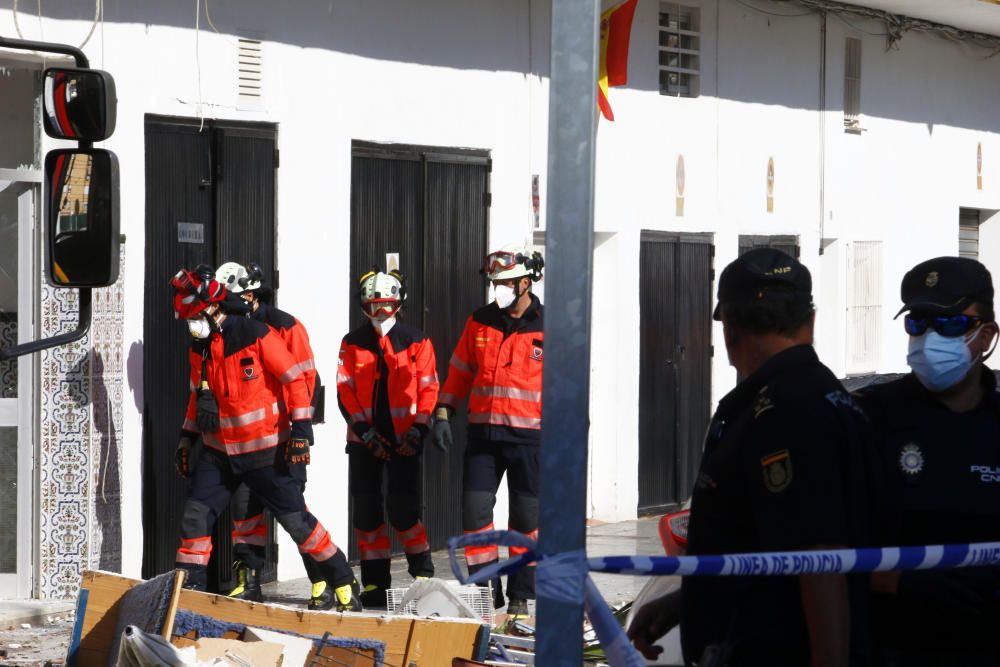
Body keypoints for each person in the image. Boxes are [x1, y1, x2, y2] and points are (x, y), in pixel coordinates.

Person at [628, 248, 878, 666]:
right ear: (810, 321)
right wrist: (684, 602)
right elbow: (755, 543)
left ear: (731, 329)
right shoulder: (819, 399)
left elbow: (819, 557)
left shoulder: (786, 411)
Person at [170, 265, 362, 612]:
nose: (191, 325)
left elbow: (295, 381)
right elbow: (195, 397)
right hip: (218, 454)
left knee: (295, 521)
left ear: (214, 307)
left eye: (194, 317)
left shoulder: (257, 334)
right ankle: (189, 597)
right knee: (195, 517)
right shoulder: (199, 348)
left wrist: (301, 434)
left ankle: (342, 577)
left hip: (266, 452)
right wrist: (187, 437)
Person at [854, 256, 1000, 665]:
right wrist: (898, 581)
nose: (929, 335)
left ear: (986, 334)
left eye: (950, 324)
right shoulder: (869, 418)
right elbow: (822, 547)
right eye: (917, 321)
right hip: (893, 645)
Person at [432, 244, 545, 620]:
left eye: (505, 282)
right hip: (483, 435)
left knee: (526, 520)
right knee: (475, 512)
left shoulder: (550, 326)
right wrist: (444, 412)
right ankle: (485, 590)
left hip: (531, 439)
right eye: (494, 282)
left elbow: (567, 387)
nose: (497, 288)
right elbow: (461, 369)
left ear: (525, 283)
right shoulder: (479, 320)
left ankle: (519, 597)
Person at [213, 261, 330, 609]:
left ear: (249, 295)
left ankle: (324, 579)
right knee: (245, 511)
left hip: (283, 440)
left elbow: (306, 380)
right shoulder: (226, 330)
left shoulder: (284, 326)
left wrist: (301, 432)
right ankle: (248, 580)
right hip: (246, 443)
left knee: (294, 512)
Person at [336, 269, 438, 608]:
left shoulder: (417, 341)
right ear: (363, 306)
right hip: (364, 442)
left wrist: (419, 430)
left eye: (387, 306)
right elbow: (344, 389)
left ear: (399, 305)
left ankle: (423, 574)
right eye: (374, 306)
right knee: (366, 513)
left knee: (404, 510)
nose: (381, 314)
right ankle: (375, 585)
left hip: (404, 441)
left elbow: (428, 389)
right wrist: (365, 433)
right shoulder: (352, 342)